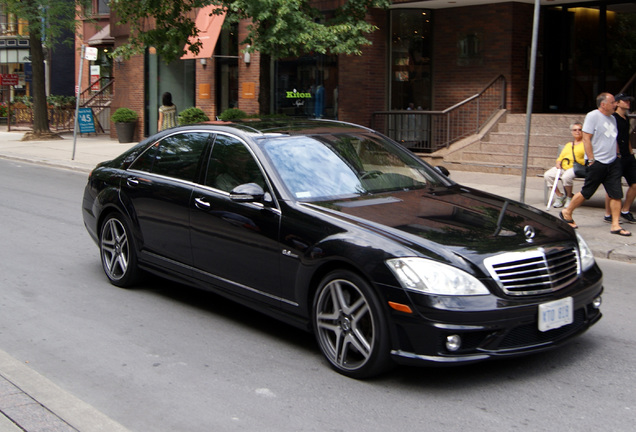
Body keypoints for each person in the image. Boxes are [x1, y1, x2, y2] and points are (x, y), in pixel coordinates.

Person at [559, 92, 631, 236]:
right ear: (603, 104)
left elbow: (613, 138)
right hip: (597, 161)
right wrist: (591, 159)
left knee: (616, 193)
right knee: (587, 192)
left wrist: (617, 155)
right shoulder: (593, 116)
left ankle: (615, 225)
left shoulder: (612, 118)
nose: (615, 104)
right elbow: (586, 138)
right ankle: (567, 211)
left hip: (613, 161)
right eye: (612, 102)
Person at [602, 93, 636, 224]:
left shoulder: (626, 118)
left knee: (634, 183)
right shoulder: (612, 118)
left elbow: (626, 137)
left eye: (629, 101)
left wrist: (630, 152)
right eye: (625, 101)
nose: (628, 103)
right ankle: (608, 213)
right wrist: (615, 154)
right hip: (616, 156)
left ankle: (625, 210)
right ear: (617, 103)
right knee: (613, 185)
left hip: (628, 156)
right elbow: (611, 138)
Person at [544, 122, 586, 208]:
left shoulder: (585, 144)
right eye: (575, 130)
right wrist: (558, 162)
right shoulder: (568, 144)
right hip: (564, 166)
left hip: (575, 167)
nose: (577, 132)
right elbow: (561, 157)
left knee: (566, 177)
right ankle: (560, 196)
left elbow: (587, 159)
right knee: (548, 175)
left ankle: (569, 196)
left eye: (579, 130)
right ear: (572, 132)